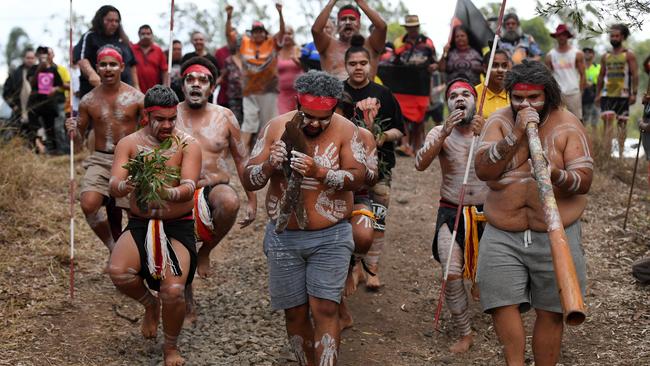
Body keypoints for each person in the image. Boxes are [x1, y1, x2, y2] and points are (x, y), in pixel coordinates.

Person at [242, 70, 366, 365]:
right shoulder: (275, 127)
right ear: (297, 104)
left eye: (322, 118)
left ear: (334, 108)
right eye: (308, 115)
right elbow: (249, 179)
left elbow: (360, 178)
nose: (314, 123)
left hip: (332, 235)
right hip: (284, 236)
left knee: (324, 308)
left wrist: (320, 172)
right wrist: (270, 166)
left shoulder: (347, 130)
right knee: (295, 311)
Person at [474, 60, 591, 365]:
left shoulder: (567, 124)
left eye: (534, 98)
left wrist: (555, 175)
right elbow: (484, 170)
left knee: (551, 312)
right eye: (518, 98)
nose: (525, 104)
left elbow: (584, 180)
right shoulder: (499, 121)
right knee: (501, 303)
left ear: (548, 96)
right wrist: (515, 133)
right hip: (503, 231)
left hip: (555, 234)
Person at [107, 84, 201, 366]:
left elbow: (189, 185)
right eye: (160, 119)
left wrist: (169, 193)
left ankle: (170, 347)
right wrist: (126, 185)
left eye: (172, 118)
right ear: (146, 116)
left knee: (173, 290)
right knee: (118, 272)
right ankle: (151, 305)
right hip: (141, 222)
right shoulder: (130, 143)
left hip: (177, 225)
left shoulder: (187, 144)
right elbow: (113, 186)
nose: (168, 125)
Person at [174, 57, 257, 315]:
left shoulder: (225, 116)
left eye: (203, 80)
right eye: (190, 79)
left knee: (229, 202)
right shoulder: (169, 114)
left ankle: (206, 250)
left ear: (212, 87)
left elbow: (242, 159)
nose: (196, 84)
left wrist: (252, 199)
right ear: (182, 85)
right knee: (181, 242)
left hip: (214, 187)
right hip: (178, 189)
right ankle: (186, 297)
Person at [415, 79, 486, 353]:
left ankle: (484, 288)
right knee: (451, 272)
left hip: (488, 213)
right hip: (451, 210)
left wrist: (487, 136)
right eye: (453, 95)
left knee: (488, 279)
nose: (460, 98)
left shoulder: (490, 128)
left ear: (475, 101)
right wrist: (443, 133)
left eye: (466, 94)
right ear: (447, 103)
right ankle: (465, 332)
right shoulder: (439, 131)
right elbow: (420, 164)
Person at [65, 46, 144, 259]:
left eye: (113, 64)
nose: (108, 68)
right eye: (103, 64)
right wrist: (72, 131)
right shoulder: (88, 100)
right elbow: (79, 143)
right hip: (100, 159)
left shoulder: (137, 98)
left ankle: (138, 255)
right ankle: (113, 246)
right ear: (97, 68)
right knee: (88, 204)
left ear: (122, 67)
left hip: (130, 159)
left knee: (136, 212)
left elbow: (149, 132)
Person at [343, 36, 404, 290]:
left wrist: (380, 138)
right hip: (344, 167)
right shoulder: (338, 93)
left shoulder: (383, 94)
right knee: (348, 217)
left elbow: (400, 131)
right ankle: (353, 266)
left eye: (363, 63)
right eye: (353, 63)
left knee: (377, 215)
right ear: (345, 66)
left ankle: (372, 268)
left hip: (380, 166)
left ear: (370, 65)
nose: (358, 67)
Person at [333, 91, 379, 331]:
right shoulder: (315, 131)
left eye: (338, 118)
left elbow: (372, 177)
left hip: (356, 197)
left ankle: (354, 263)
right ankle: (339, 310)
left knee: (362, 235)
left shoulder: (363, 136)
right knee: (326, 254)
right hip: (325, 200)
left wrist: (359, 170)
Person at [226, 3, 285, 150]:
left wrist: (280, 14)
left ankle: (274, 155)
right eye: (255, 31)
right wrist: (229, 17)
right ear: (251, 33)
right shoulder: (245, 43)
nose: (258, 34)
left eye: (261, 31)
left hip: (268, 89)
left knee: (270, 123)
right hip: (250, 90)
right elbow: (229, 35)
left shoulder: (271, 43)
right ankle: (242, 159)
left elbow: (282, 33)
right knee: (248, 124)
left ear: (265, 33)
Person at [392, 14, 437, 157]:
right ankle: (405, 145)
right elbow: (394, 62)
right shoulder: (399, 42)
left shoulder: (427, 42)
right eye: (409, 27)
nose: (412, 30)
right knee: (403, 116)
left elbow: (435, 62)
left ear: (418, 27)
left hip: (422, 85)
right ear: (406, 28)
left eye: (414, 27)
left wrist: (433, 66)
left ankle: (417, 147)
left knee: (419, 118)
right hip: (403, 86)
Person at [312, 0, 387, 81]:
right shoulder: (328, 45)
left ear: (359, 24)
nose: (348, 22)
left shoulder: (371, 44)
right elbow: (316, 30)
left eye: (352, 19)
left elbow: (382, 27)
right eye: (343, 19)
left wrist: (360, 2)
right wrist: (332, 2)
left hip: (365, 93)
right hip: (334, 93)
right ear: (337, 24)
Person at [73, 5, 138, 98]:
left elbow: (132, 65)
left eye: (116, 21)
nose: (114, 24)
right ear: (100, 20)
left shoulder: (123, 40)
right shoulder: (90, 36)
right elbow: (82, 59)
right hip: (95, 94)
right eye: (110, 20)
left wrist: (136, 86)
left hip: (124, 94)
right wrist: (92, 74)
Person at [596, 23, 639, 159]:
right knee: (607, 125)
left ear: (623, 37)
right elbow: (601, 75)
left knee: (622, 125)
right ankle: (606, 156)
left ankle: (620, 155)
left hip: (623, 95)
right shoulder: (605, 56)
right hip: (607, 94)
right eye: (612, 35)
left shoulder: (628, 55)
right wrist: (598, 94)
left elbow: (635, 74)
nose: (614, 38)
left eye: (616, 36)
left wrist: (634, 93)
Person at [27, 46, 64, 154]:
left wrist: (54, 89)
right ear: (37, 55)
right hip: (35, 102)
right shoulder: (33, 69)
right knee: (34, 126)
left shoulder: (53, 69)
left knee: (51, 128)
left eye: (45, 53)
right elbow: (31, 82)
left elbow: (60, 84)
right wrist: (40, 68)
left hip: (48, 103)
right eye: (41, 53)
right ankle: (38, 148)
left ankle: (54, 151)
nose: (43, 55)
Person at [545, 24, 585, 120]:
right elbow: (547, 76)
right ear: (556, 37)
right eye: (559, 35)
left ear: (567, 36)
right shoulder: (550, 55)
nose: (561, 37)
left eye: (563, 35)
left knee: (577, 119)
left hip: (573, 92)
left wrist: (580, 91)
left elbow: (583, 74)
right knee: (557, 119)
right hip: (557, 93)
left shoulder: (577, 54)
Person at [2, 48, 36, 140]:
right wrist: (13, 105)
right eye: (28, 58)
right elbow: (6, 92)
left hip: (37, 110)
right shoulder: (15, 73)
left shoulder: (40, 72)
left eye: (32, 58)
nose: (30, 60)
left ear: (35, 59)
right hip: (19, 111)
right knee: (19, 135)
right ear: (23, 58)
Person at [131, 24, 169, 93]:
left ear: (152, 35)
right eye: (143, 34)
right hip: (135, 91)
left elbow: (164, 70)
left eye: (148, 34)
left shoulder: (158, 50)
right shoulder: (132, 49)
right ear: (138, 35)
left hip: (155, 92)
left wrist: (165, 86)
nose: (145, 36)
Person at [475, 49, 511, 119]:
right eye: (495, 65)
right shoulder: (473, 94)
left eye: (504, 66)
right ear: (485, 68)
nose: (500, 70)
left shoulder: (514, 94)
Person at [277, 27, 303, 114]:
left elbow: (306, 67)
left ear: (293, 35)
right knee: (282, 118)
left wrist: (295, 59)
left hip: (299, 93)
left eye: (289, 33)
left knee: (297, 119)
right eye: (284, 33)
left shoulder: (298, 49)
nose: (287, 36)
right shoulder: (276, 52)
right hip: (282, 94)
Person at [221, 34, 244, 123]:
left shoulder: (250, 61)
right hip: (234, 99)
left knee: (250, 125)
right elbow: (223, 77)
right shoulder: (229, 61)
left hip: (249, 99)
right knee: (236, 123)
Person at [582, 47, 601, 128]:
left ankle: (594, 139)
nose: (587, 53)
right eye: (585, 52)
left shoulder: (598, 67)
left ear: (593, 55)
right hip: (582, 96)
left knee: (594, 122)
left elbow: (602, 81)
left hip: (595, 95)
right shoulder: (580, 67)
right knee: (583, 121)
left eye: (589, 52)